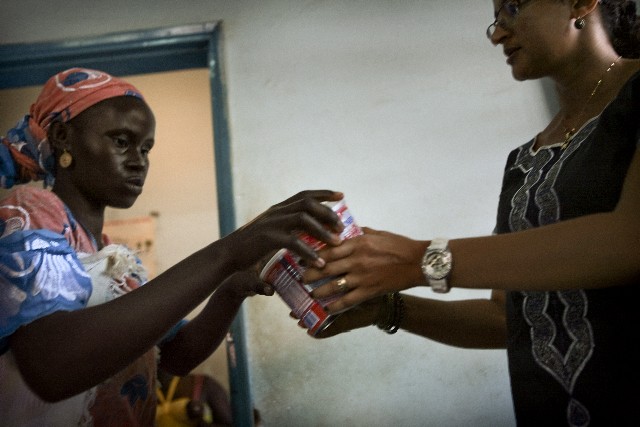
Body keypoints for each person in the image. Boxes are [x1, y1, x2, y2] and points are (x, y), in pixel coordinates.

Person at [304, 1, 640, 426]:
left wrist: (418, 259)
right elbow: (506, 319)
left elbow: (630, 240)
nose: (498, 33)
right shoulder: (524, 160)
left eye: (514, 8)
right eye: (495, 19)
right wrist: (384, 306)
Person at [0, 67, 345, 427]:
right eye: (121, 141)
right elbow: (52, 369)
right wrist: (227, 252)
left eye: (146, 148)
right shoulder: (30, 215)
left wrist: (231, 287)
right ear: (62, 137)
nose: (139, 161)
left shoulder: (111, 256)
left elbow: (174, 356)